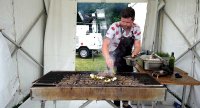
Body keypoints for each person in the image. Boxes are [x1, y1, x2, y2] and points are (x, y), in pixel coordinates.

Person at [102, 7, 141, 108]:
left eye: (127, 22)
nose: (124, 24)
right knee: (115, 81)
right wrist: (107, 58)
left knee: (127, 82)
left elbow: (137, 45)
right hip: (113, 57)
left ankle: (125, 103)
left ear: (133, 20)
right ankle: (116, 105)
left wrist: (135, 52)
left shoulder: (136, 28)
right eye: (122, 21)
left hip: (127, 58)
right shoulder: (114, 27)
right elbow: (105, 45)